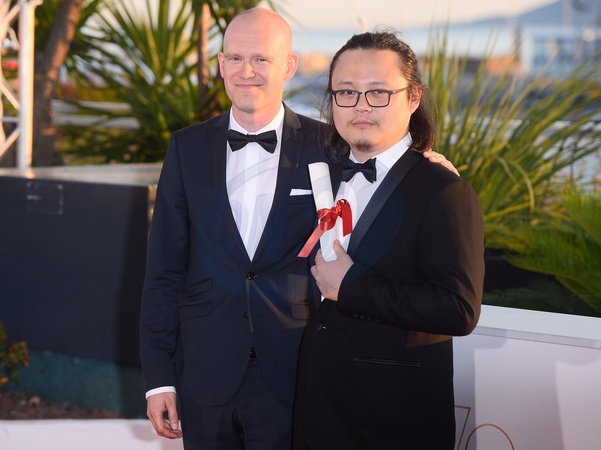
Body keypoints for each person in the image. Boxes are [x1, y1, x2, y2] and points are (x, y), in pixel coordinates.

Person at [139, 8, 458, 450]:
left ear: (289, 66)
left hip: (295, 372)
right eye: (235, 59)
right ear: (221, 65)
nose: (246, 71)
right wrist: (159, 379)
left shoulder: (329, 144)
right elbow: (163, 271)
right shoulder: (185, 147)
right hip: (204, 372)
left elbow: (382, 172)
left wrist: (428, 166)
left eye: (261, 59)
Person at [293, 31, 485, 450]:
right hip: (315, 407)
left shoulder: (443, 190)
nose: (361, 106)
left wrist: (352, 287)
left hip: (390, 422)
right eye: (347, 92)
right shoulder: (323, 171)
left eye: (378, 92)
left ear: (413, 98)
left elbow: (459, 310)